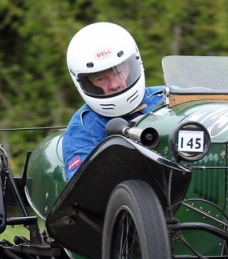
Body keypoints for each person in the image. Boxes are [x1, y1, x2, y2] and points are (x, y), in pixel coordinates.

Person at [62, 22, 164, 180]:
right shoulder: (84, 126)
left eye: (119, 71)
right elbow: (85, 184)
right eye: (101, 78)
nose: (115, 84)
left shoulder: (167, 96)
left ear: (135, 63)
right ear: (84, 82)